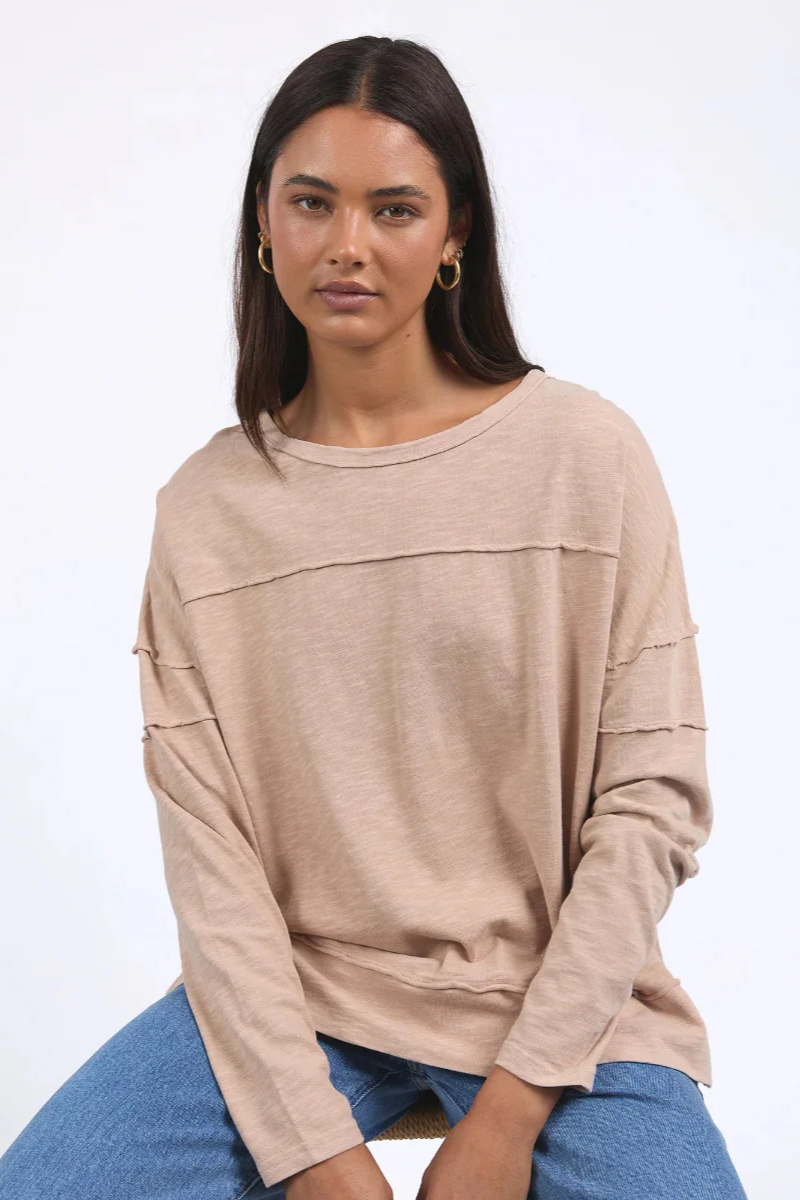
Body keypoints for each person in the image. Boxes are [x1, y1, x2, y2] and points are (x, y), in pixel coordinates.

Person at [0, 34, 749, 1200]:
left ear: (454, 235)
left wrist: (506, 1118)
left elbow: (650, 800)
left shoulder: (582, 459)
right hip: (293, 1000)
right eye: (311, 202)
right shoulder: (207, 513)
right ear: (263, 222)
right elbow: (214, 871)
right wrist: (309, 1148)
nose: (346, 245)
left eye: (393, 209)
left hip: (560, 1006)